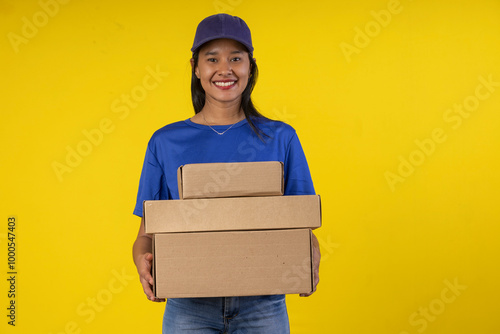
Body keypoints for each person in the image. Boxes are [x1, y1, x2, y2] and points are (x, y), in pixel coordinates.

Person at [132, 13, 321, 333]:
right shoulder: (165, 141)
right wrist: (143, 260)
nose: (225, 69)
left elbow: (301, 222)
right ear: (195, 67)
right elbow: (146, 234)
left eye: (236, 58)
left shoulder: (281, 137)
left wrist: (310, 256)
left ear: (250, 66)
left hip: (263, 303)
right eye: (212, 59)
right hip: (189, 304)